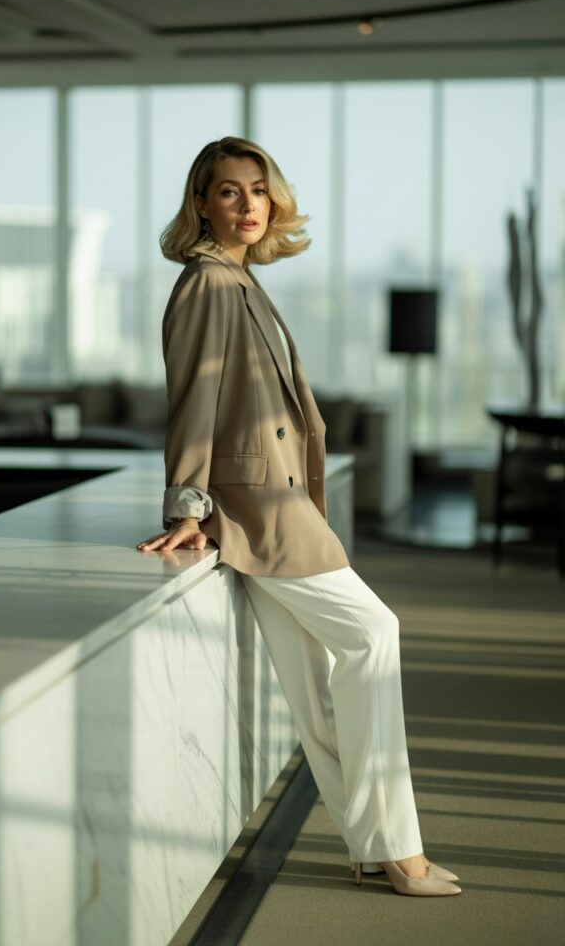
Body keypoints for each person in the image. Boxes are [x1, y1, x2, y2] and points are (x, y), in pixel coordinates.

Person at [137, 136, 461, 898]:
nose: (247, 205)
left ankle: (371, 846)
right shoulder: (206, 285)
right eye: (227, 191)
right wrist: (188, 504)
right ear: (200, 203)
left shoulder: (240, 281)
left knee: (317, 684)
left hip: (268, 505)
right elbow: (193, 405)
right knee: (374, 632)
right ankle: (400, 851)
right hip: (259, 511)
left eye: (257, 189)